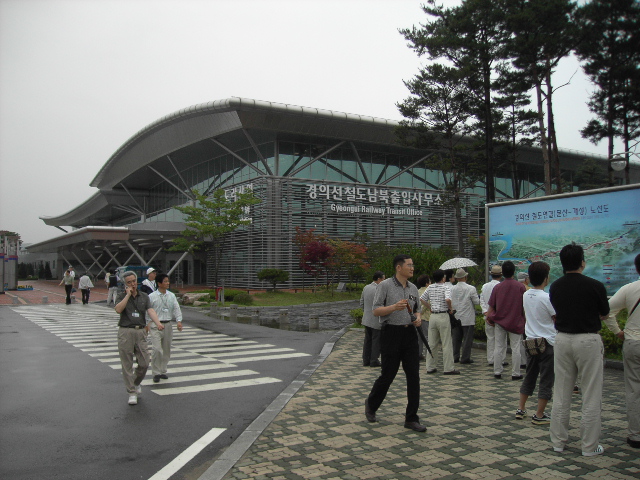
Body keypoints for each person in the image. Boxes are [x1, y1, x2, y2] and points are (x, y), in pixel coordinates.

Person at [549, 242, 610, 456]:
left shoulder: (555, 286)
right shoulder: (595, 285)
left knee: (562, 393)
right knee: (591, 394)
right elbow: (604, 313)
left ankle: (558, 442)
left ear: (562, 263)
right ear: (583, 262)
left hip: (563, 340)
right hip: (588, 340)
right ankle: (589, 446)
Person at [365, 255, 425, 432]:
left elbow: (417, 310)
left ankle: (411, 418)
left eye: (413, 265)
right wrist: (393, 307)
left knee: (413, 376)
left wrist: (418, 320)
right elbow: (375, 310)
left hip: (409, 334)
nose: (412, 268)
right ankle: (371, 404)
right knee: (388, 374)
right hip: (391, 333)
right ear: (399, 268)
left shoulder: (413, 288)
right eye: (409, 265)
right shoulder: (385, 286)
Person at [604, 253, 640, 449]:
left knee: (634, 389)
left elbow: (607, 312)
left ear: (636, 269)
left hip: (633, 342)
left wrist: (618, 332)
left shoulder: (629, 288)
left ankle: (635, 435)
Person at [114, 270, 163, 406]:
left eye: (134, 281)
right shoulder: (120, 296)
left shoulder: (144, 296)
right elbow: (118, 309)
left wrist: (158, 323)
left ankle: (135, 383)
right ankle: (132, 392)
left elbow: (150, 310)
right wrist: (128, 295)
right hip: (126, 331)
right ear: (125, 284)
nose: (132, 284)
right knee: (127, 363)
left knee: (144, 362)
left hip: (140, 331)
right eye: (129, 282)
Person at [516, 261, 556, 425]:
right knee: (546, 379)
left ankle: (521, 408)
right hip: (547, 343)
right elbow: (556, 318)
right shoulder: (547, 298)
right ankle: (539, 414)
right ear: (546, 278)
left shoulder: (526, 294)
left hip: (531, 342)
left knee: (530, 376)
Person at [487, 260, 526, 380]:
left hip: (500, 321)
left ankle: (497, 371)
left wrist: (489, 317)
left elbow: (492, 306)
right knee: (516, 348)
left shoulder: (498, 287)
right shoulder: (520, 287)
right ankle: (515, 373)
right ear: (514, 271)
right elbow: (524, 306)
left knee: (499, 346)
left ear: (502, 272)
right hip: (515, 321)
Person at [422, 269, 459, 376]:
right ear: (443, 278)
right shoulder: (445, 287)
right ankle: (448, 368)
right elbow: (448, 299)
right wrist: (450, 309)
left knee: (432, 343)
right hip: (443, 315)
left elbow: (422, 299)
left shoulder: (430, 287)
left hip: (433, 316)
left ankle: (430, 367)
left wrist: (430, 307)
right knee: (446, 343)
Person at [148, 273, 183, 383]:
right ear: (159, 283)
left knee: (166, 349)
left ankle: (163, 370)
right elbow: (148, 311)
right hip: (155, 325)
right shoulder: (152, 296)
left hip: (167, 324)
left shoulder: (171, 296)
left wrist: (178, 321)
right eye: (165, 281)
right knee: (157, 349)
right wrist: (147, 325)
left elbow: (176, 308)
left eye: (168, 281)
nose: (168, 283)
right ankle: (156, 372)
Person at [451, 268, 480, 364]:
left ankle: (455, 356)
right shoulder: (471, 288)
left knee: (456, 338)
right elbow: (476, 302)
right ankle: (465, 357)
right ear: (465, 277)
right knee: (467, 339)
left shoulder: (452, 288)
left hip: (456, 316)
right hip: (467, 317)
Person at [360, 271, 385, 367]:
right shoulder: (379, 290)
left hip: (367, 318)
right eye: (383, 279)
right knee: (376, 340)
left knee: (367, 340)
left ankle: (366, 359)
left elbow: (361, 302)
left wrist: (366, 312)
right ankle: (374, 360)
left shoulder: (366, 287)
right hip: (377, 319)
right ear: (379, 279)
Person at [481, 265, 503, 367]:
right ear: (501, 275)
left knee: (490, 338)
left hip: (487, 316)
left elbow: (482, 300)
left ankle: (490, 359)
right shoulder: (501, 286)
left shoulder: (485, 286)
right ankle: (500, 359)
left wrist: (486, 312)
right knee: (500, 339)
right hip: (499, 317)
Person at [416, 274, 431, 361]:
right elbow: (426, 303)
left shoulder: (417, 291)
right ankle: (428, 353)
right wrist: (421, 312)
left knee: (419, 336)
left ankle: (419, 353)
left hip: (418, 318)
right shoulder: (427, 291)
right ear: (426, 283)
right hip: (426, 317)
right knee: (427, 336)